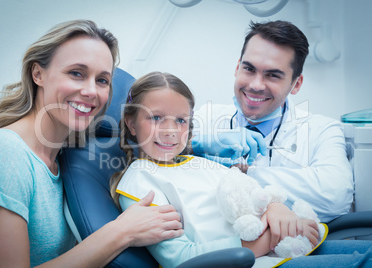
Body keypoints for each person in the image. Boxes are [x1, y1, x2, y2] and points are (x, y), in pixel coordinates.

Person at [0, 20, 184, 267]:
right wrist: (122, 231)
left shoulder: (66, 156)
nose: (91, 91)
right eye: (76, 73)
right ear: (37, 74)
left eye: (102, 80)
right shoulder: (4, 152)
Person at [110, 71, 372, 268]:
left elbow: (251, 195)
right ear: (132, 124)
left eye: (180, 120)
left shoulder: (201, 164)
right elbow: (180, 258)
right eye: (156, 117)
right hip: (248, 260)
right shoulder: (140, 183)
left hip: (279, 247)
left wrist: (275, 208)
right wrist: (264, 242)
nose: (169, 130)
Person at [190, 20, 354, 226]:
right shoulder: (206, 118)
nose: (256, 85)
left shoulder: (322, 130)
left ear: (296, 84)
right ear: (237, 68)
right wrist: (194, 146)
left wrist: (242, 172)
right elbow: (151, 157)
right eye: (249, 69)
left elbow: (335, 196)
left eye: (273, 75)